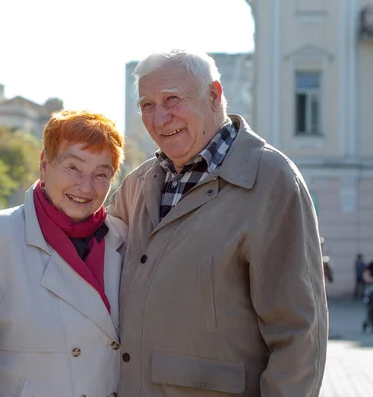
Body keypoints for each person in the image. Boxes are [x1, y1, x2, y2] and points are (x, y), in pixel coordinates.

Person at [107, 49, 328, 396]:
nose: (159, 118)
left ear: (214, 96)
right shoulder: (136, 185)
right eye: (147, 104)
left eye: (172, 100)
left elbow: (300, 335)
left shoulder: (271, 180)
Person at [0, 110, 127, 397]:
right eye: (73, 167)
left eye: (101, 174)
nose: (85, 186)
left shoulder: (124, 239)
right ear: (44, 164)